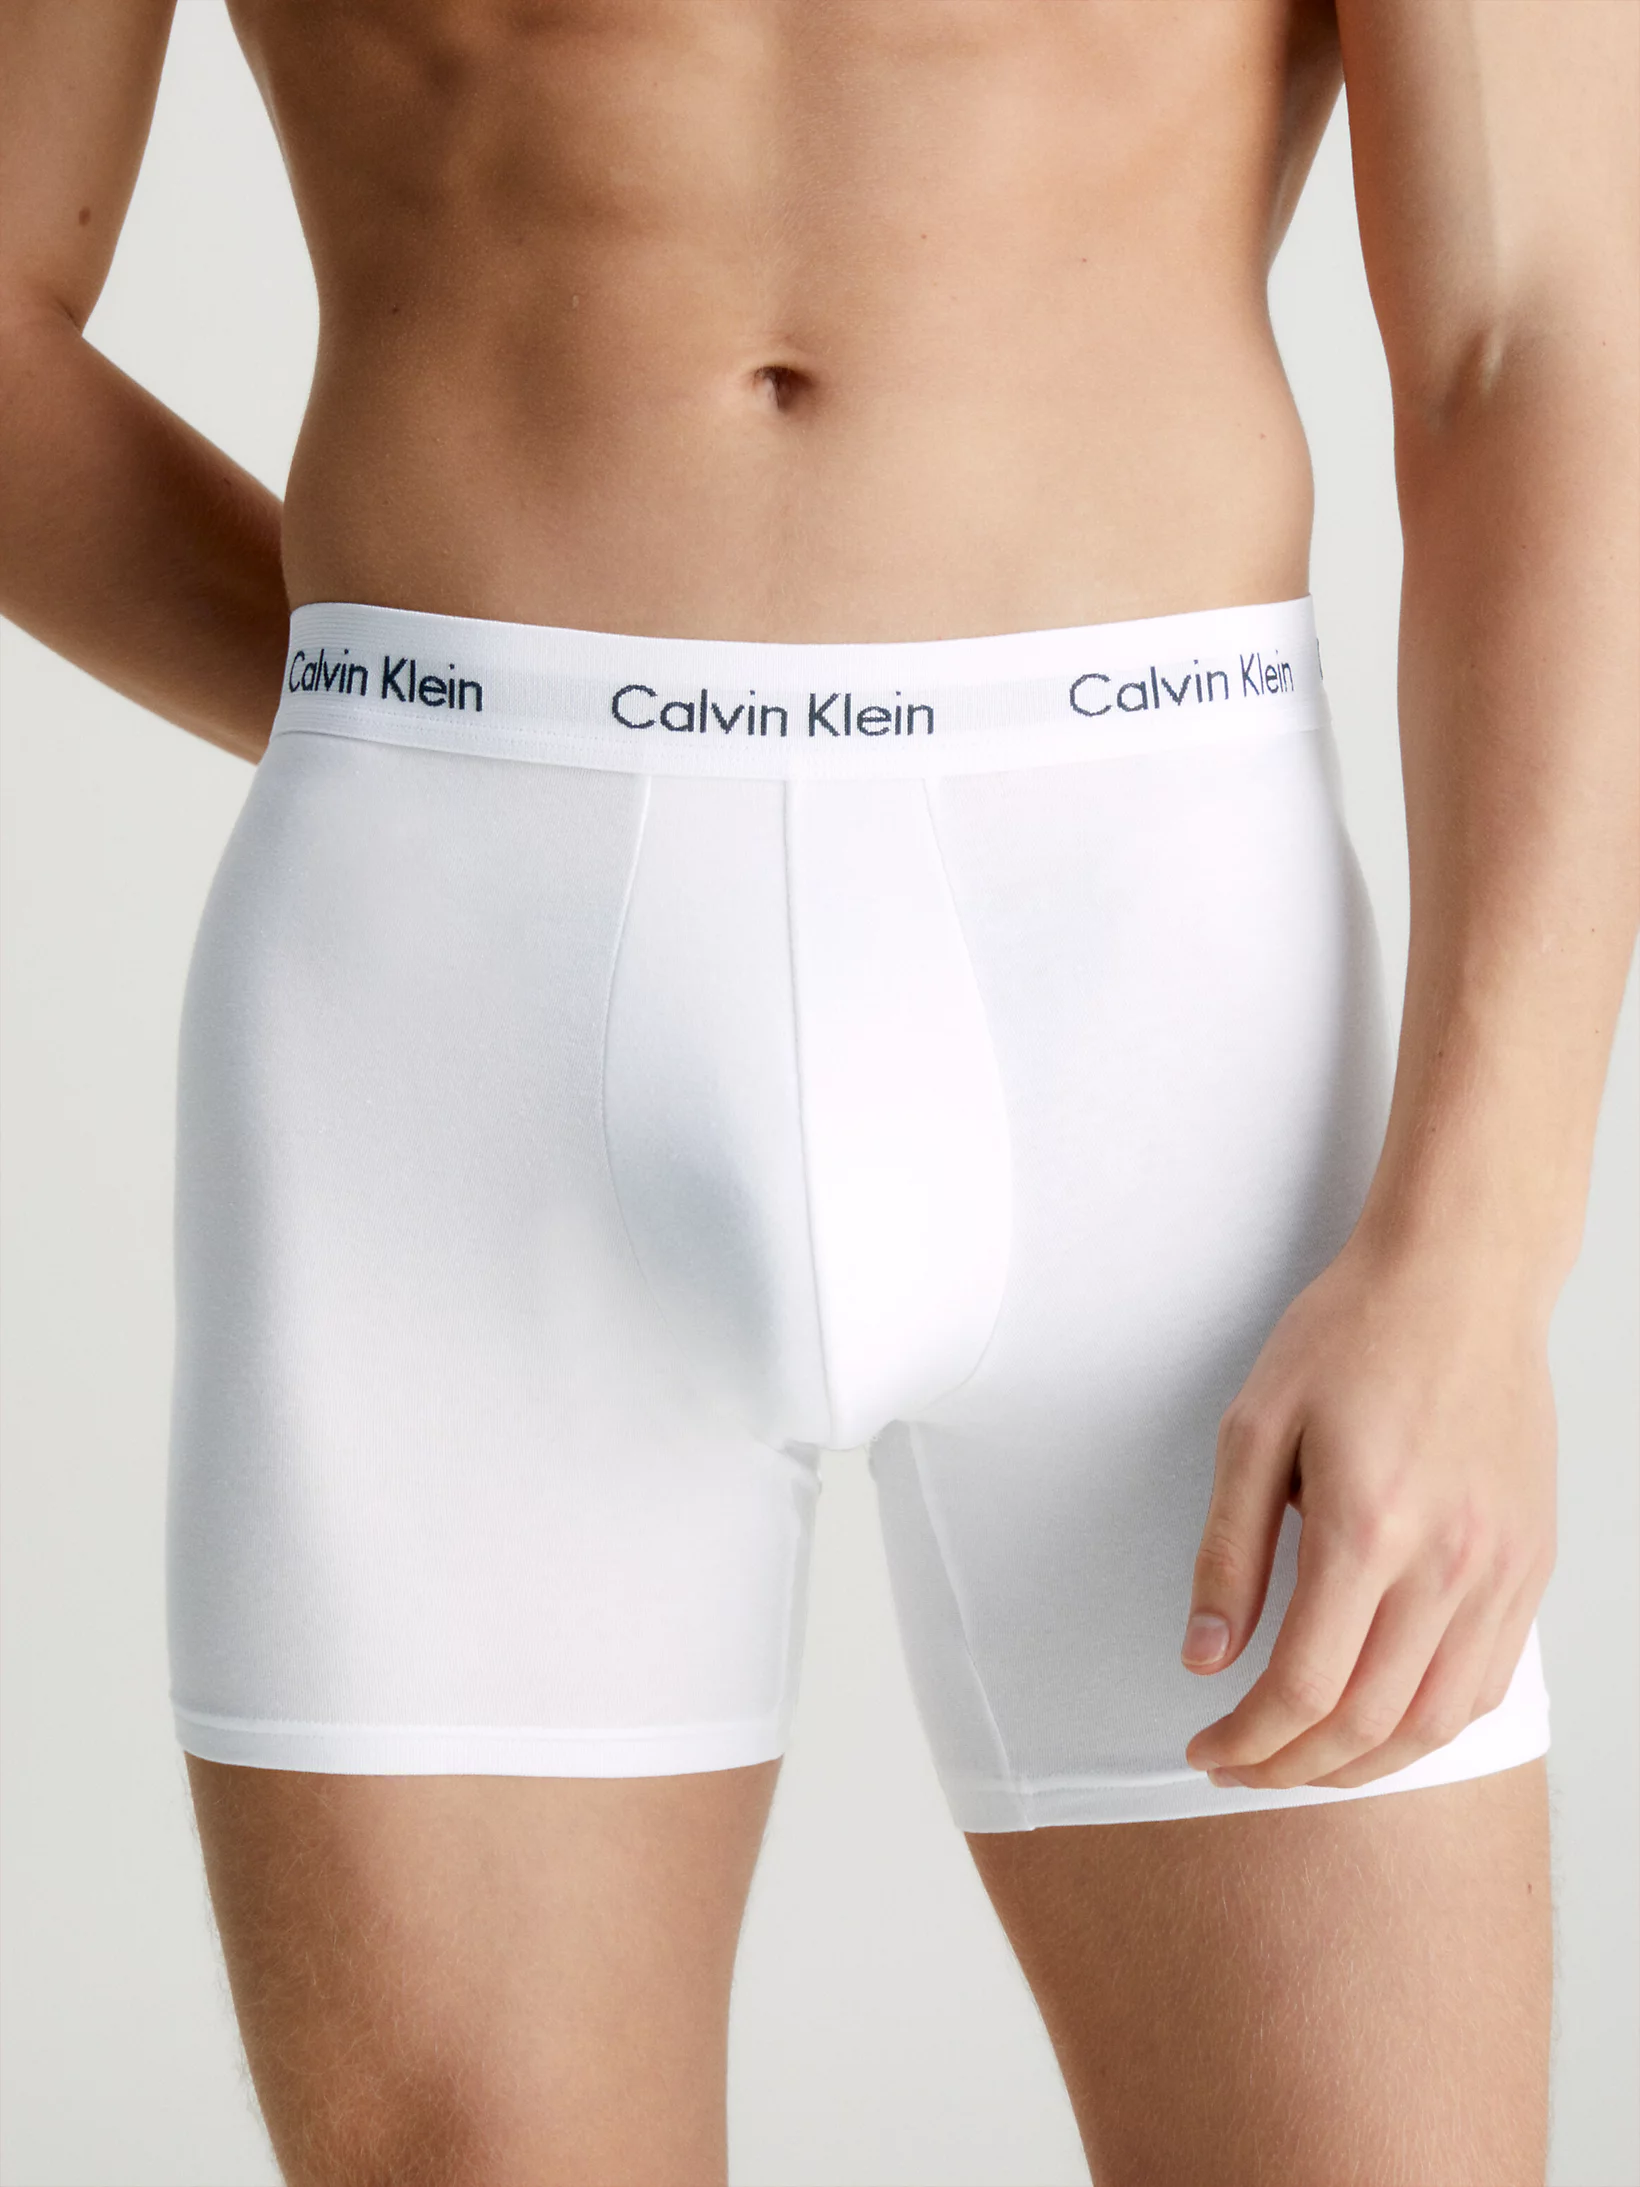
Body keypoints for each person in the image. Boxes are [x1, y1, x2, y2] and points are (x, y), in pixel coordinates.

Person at [2, 1, 1635, 2181]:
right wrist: (421, 724)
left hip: (1155, 1003)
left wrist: (1479, 1257)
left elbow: (1534, 340)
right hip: (453, 1017)